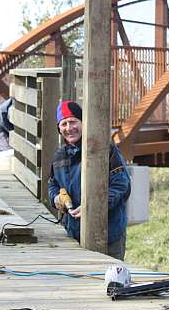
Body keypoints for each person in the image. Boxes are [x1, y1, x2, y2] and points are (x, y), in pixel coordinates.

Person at [47, 101, 131, 260]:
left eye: (73, 122)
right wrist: (57, 199)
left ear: (83, 122)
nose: (68, 128)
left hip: (108, 234)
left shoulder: (106, 150)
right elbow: (53, 185)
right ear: (59, 128)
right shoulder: (59, 157)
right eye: (63, 124)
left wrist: (92, 208)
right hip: (73, 235)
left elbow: (122, 186)